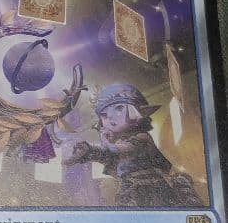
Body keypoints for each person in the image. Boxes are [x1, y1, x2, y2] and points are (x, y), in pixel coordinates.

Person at [72, 83, 202, 207]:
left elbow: (121, 151)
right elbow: (111, 158)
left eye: (119, 109)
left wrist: (99, 147)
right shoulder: (118, 143)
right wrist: (89, 152)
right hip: (132, 190)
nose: (110, 118)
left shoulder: (142, 137)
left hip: (152, 189)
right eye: (104, 115)